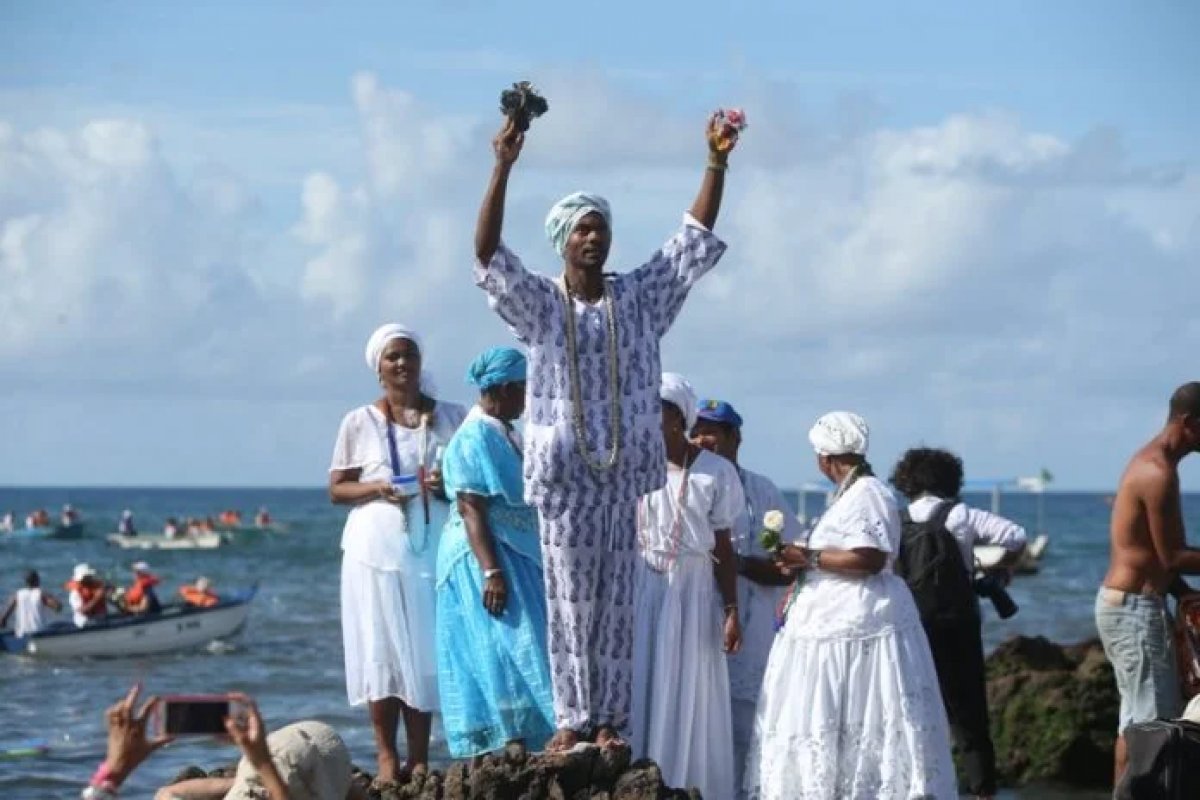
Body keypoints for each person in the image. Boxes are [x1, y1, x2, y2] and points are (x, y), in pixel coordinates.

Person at [473, 110, 738, 750]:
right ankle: (570, 719)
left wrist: (716, 160)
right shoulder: (540, 305)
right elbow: (486, 255)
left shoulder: (640, 299)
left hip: (624, 480)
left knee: (617, 604)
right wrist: (503, 165)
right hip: (563, 482)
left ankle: (609, 722)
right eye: (581, 230)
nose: (593, 238)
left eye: (600, 229)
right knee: (567, 604)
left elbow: (692, 238)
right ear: (563, 241)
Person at [745, 411, 956, 799]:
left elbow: (871, 558)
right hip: (834, 619)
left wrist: (807, 558)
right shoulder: (853, 493)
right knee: (833, 709)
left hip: (859, 620)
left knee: (862, 706)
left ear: (825, 457)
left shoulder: (869, 492)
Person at [329, 323, 468, 783]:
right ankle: (387, 756)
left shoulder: (451, 416)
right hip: (375, 551)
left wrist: (444, 483)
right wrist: (377, 487)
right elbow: (337, 488)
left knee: (423, 651)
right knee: (383, 650)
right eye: (393, 357)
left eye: (409, 354)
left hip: (430, 549)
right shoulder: (359, 422)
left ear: (421, 361)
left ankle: (420, 754)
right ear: (379, 368)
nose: (402, 364)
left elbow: (474, 476)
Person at [435, 346, 555, 758]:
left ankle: (526, 739)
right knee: (504, 643)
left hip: (512, 550)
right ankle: (512, 740)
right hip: (484, 555)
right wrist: (492, 572)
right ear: (503, 389)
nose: (527, 399)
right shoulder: (472, 438)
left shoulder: (502, 431)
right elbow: (471, 507)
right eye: (523, 390)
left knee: (519, 644)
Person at [890, 447, 1027, 800]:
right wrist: (1001, 569)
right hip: (959, 623)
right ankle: (982, 791)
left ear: (907, 479)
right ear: (951, 478)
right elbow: (1015, 535)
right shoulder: (960, 515)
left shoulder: (897, 519)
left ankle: (919, 788)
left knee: (914, 708)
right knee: (969, 714)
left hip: (911, 626)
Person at [630, 374, 742, 799]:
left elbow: (724, 547)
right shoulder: (634, 465)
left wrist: (731, 609)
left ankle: (688, 782)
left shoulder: (716, 471)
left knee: (689, 686)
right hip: (644, 587)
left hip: (693, 589)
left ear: (678, 416)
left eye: (655, 408)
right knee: (645, 678)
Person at [690, 398, 802, 790]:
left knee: (752, 724)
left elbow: (792, 562)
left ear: (735, 438)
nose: (703, 439)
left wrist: (742, 564)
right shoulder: (686, 485)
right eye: (696, 431)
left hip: (755, 629)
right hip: (699, 622)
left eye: (712, 432)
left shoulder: (761, 489)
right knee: (703, 723)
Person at [1096, 381, 1200, 784]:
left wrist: (1183, 592)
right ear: (1189, 423)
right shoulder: (1158, 472)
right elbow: (1172, 555)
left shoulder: (1153, 463)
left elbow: (1151, 554)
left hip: (1130, 604)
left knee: (1136, 723)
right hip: (1135, 610)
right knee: (1152, 732)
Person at [81, 684, 361, 800]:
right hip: (309, 760)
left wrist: (114, 771)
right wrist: (261, 762)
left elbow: (168, 794)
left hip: (302, 759)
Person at [1, 570, 63, 636]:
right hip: (39, 632)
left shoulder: (17, 595)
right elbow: (58, 607)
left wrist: (3, 625)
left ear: (25, 582)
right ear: (37, 580)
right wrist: (51, 596)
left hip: (22, 634)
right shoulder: (41, 594)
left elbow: (3, 617)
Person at [66, 563, 108, 628]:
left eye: (90, 576)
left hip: (100, 619)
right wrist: (97, 598)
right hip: (84, 623)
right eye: (88, 576)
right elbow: (81, 611)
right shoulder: (75, 592)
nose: (91, 578)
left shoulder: (97, 587)